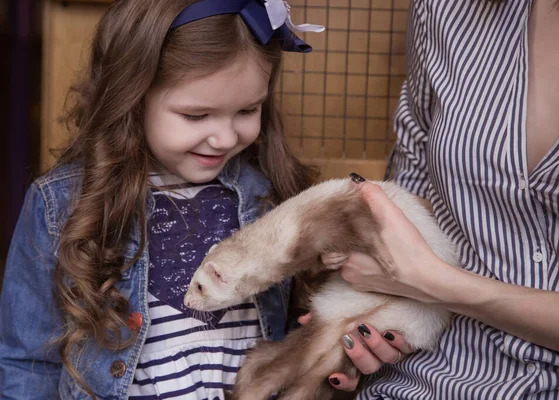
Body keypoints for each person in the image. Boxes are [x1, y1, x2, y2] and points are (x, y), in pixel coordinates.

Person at [0, 0, 324, 399]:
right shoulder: (61, 205)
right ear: (133, 97)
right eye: (195, 116)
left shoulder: (270, 195)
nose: (224, 138)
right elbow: (26, 362)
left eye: (247, 110)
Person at [321, 0, 559, 398]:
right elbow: (414, 180)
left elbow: (416, 274)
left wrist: (436, 285)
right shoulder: (447, 9)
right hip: (418, 381)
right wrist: (372, 322)